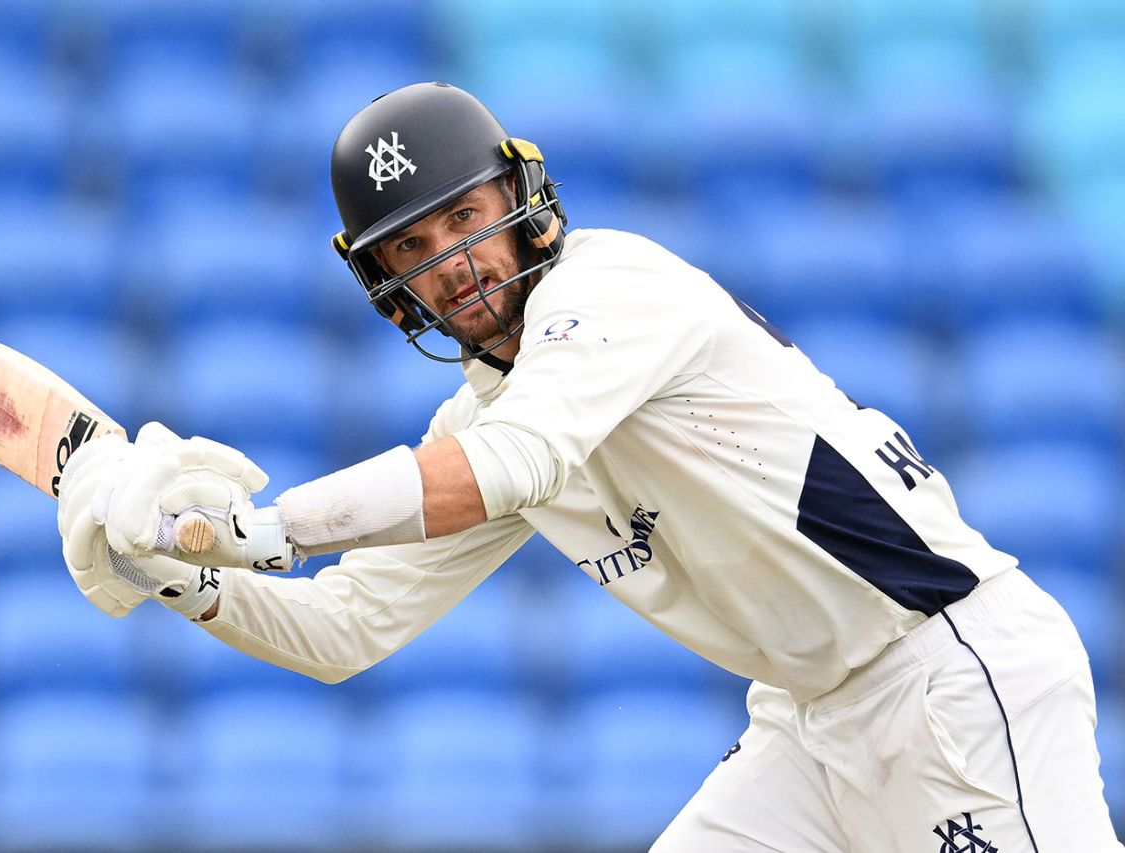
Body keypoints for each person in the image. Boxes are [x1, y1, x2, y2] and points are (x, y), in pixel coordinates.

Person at [55, 82, 1122, 850]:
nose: (452, 263)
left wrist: (255, 526)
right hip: (808, 721)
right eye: (411, 248)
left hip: (947, 673)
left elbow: (512, 463)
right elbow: (343, 630)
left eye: (464, 218)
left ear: (519, 202)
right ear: (386, 285)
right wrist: (174, 568)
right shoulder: (486, 416)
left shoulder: (610, 288)